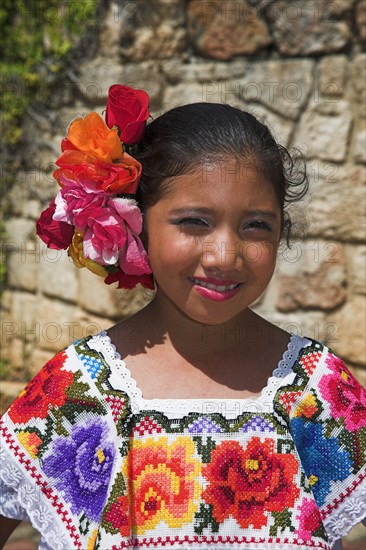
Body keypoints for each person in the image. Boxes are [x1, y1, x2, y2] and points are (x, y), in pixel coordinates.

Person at [0, 85, 365, 550]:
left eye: (256, 225)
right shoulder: (79, 390)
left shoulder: (316, 389)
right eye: (194, 221)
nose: (225, 255)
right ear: (136, 222)